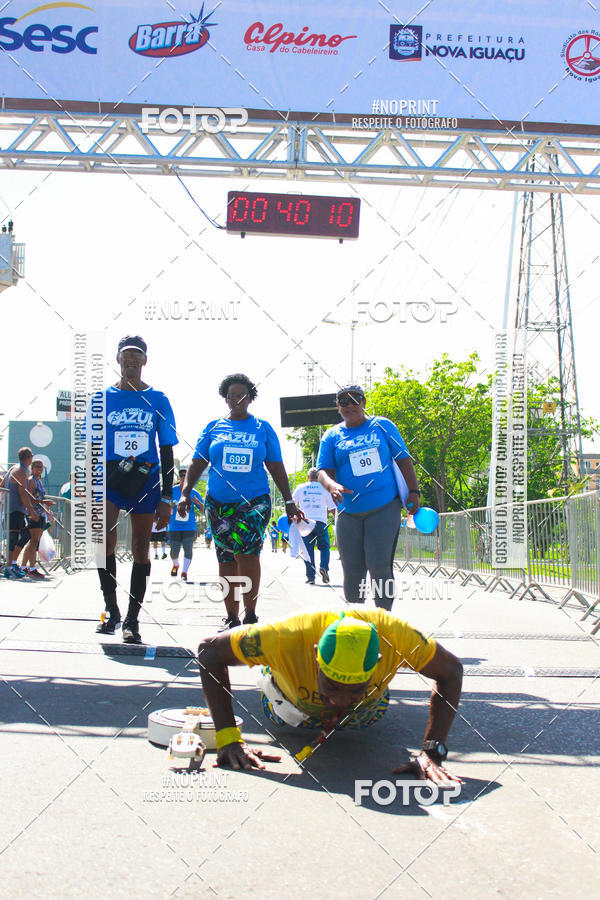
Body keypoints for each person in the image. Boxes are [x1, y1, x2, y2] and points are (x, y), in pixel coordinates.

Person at [197, 608, 463, 786]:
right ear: (316, 655)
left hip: (365, 714)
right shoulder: (283, 636)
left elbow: (451, 670)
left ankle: (354, 692)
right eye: (333, 686)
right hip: (288, 707)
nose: (341, 700)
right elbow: (208, 651)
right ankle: (275, 672)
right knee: (282, 702)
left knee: (358, 710)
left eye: (355, 688)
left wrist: (433, 751)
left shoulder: (397, 637)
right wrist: (228, 738)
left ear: (379, 660)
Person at [178, 373, 304, 629]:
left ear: (250, 398)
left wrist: (289, 500)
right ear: (225, 398)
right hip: (218, 502)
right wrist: (186, 491)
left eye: (242, 395)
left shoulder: (262, 428)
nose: (236, 399)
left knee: (246, 554)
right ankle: (232, 616)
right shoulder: (214, 427)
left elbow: (276, 465)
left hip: (254, 501)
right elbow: (198, 461)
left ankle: (250, 614)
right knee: (225, 557)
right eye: (232, 395)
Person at [95, 335, 177, 644]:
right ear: (117, 360)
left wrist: (167, 497)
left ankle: (132, 619)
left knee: (142, 547)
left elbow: (167, 449)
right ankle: (111, 609)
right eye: (125, 355)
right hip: (112, 475)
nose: (130, 360)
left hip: (146, 476)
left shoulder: (158, 399)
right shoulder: (101, 399)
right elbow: (90, 445)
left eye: (136, 355)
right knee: (103, 538)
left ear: (145, 361)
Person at [317, 385, 420, 610]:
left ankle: (383, 620)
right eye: (343, 401)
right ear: (337, 406)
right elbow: (322, 471)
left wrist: (414, 492)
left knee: (379, 566)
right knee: (352, 570)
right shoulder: (332, 435)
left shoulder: (382, 426)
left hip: (383, 506)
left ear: (364, 402)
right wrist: (332, 485)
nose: (350, 405)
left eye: (355, 400)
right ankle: (356, 625)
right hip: (348, 511)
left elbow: (403, 459)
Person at [292, 467, 336, 584]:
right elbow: (332, 508)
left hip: (305, 523)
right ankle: (324, 568)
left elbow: (292, 504)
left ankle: (311, 577)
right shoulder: (325, 489)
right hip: (321, 523)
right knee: (324, 547)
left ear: (308, 477)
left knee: (307, 550)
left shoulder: (300, 488)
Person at [2, 447, 36, 580]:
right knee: (13, 537)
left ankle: (12, 564)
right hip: (15, 509)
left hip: (13, 508)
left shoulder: (13, 468)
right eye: (31, 457)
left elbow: (3, 483)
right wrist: (31, 510)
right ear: (28, 457)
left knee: (25, 533)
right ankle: (9, 567)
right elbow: (22, 493)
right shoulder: (21, 471)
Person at [21, 458, 54, 579]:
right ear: (32, 468)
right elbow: (28, 497)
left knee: (33, 541)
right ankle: (32, 568)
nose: (39, 469)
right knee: (33, 542)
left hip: (40, 514)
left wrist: (46, 509)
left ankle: (24, 567)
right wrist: (43, 502)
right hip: (34, 514)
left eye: (41, 467)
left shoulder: (38, 481)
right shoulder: (31, 480)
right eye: (37, 466)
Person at [168, 467, 204, 581]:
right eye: (182, 476)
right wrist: (170, 507)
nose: (184, 478)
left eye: (186, 476)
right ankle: (176, 564)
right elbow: (163, 505)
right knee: (174, 551)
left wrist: (198, 502)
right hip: (174, 526)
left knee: (188, 549)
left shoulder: (194, 492)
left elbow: (204, 510)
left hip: (189, 526)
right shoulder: (172, 491)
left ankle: (184, 572)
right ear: (179, 478)